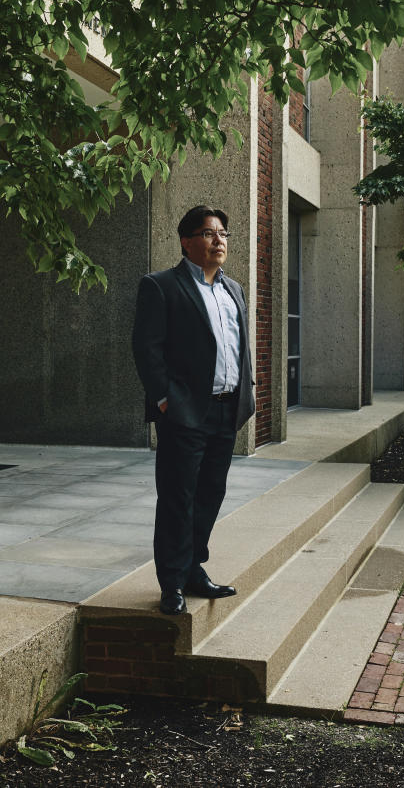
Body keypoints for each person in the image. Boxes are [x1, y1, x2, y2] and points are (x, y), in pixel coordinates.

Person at [131, 205, 256, 615]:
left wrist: (246, 392)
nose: (219, 240)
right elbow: (147, 350)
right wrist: (165, 399)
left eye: (223, 234)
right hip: (184, 413)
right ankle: (171, 584)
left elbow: (239, 348)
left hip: (226, 410)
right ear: (187, 241)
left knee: (209, 496)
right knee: (177, 498)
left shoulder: (233, 289)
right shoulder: (161, 286)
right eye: (208, 233)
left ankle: (193, 569)